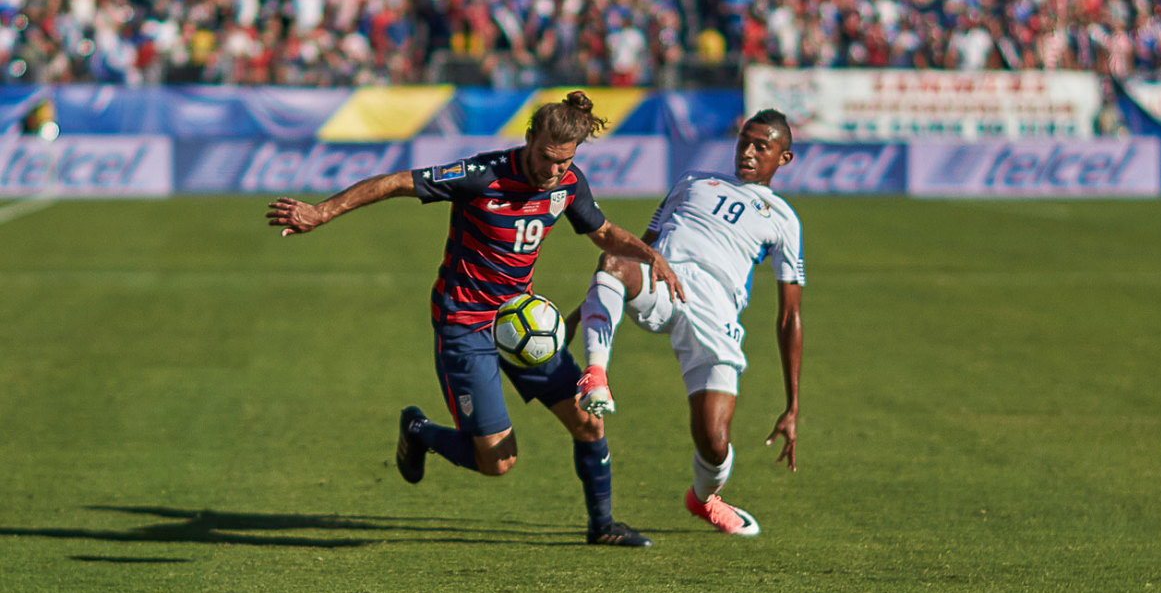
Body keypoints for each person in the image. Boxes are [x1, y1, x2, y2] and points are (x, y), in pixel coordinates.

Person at [266, 91, 684, 547]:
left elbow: (601, 233)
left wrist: (649, 257)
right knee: (498, 462)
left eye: (563, 161)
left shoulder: (568, 184)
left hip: (521, 324)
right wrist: (321, 212)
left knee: (589, 421)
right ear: (529, 139)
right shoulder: (480, 174)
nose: (552, 170)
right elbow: (396, 182)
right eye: (545, 157)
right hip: (464, 324)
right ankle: (418, 431)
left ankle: (602, 527)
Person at [571, 109, 804, 537]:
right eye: (743, 141)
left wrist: (792, 405)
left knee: (714, 443)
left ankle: (704, 498)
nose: (748, 152)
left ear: (783, 158)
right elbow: (645, 245)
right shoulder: (693, 181)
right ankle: (596, 375)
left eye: (761, 146)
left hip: (715, 316)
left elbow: (790, 315)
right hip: (666, 282)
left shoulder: (784, 220)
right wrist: (578, 313)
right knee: (615, 260)